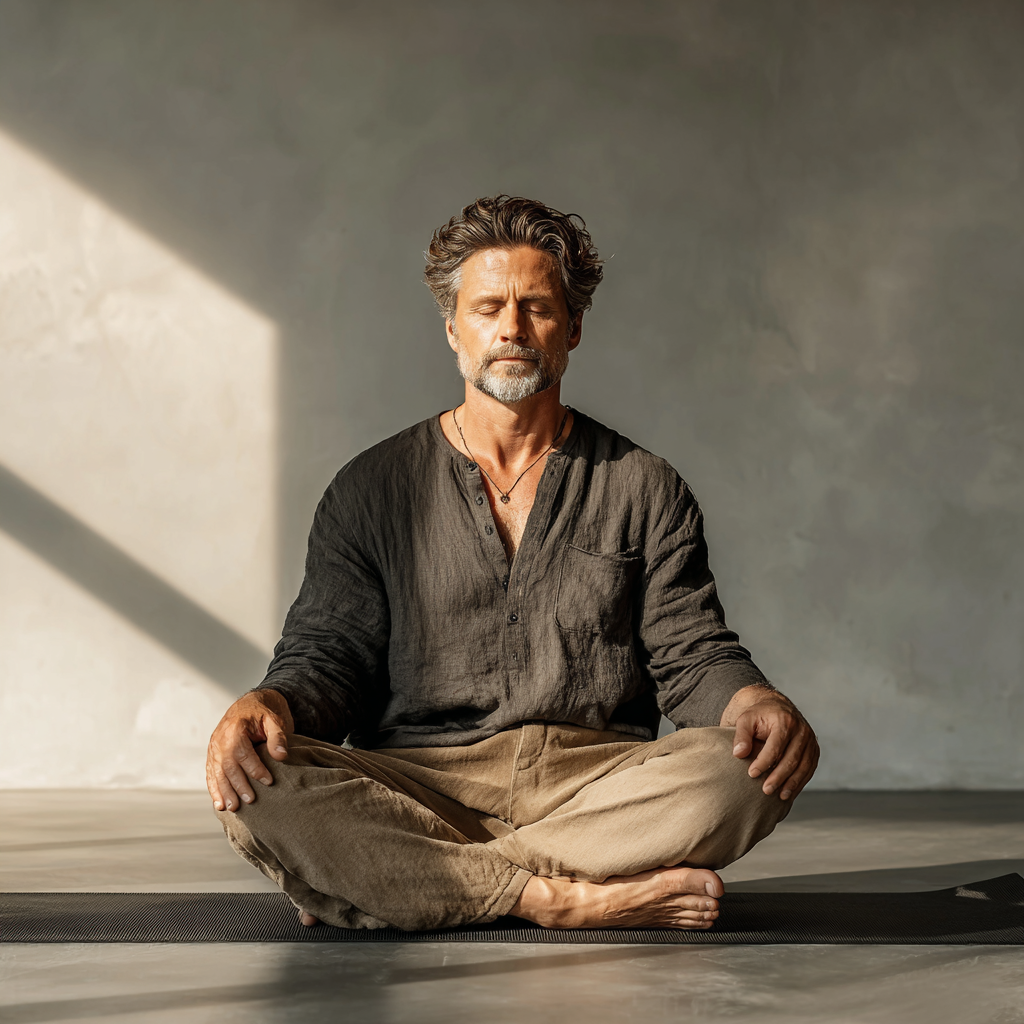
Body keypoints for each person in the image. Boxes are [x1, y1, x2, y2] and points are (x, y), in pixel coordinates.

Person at [206, 195, 819, 932]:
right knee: (261, 784)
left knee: (742, 769)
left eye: (536, 307)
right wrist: (269, 703)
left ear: (574, 328)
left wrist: (754, 701)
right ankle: (559, 899)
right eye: (488, 306)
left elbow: (692, 654)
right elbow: (328, 657)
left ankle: (399, 885)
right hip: (423, 784)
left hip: (592, 786)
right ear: (453, 331)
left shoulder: (643, 484)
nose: (511, 330)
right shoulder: (370, 489)